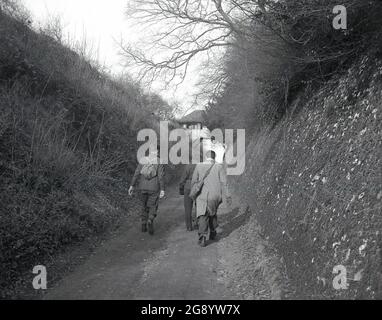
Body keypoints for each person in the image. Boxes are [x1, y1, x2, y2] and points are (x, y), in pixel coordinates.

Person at [191, 150, 231, 247]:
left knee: (202, 215)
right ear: (214, 157)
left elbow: (193, 181)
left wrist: (194, 191)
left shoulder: (199, 166)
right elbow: (224, 183)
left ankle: (203, 236)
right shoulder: (219, 167)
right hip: (215, 196)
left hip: (202, 195)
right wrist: (228, 195)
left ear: (206, 156)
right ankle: (213, 231)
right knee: (212, 214)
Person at [129, 147, 165, 235]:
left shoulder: (143, 160)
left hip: (142, 187)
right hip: (154, 188)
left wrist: (131, 185)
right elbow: (161, 176)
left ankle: (143, 224)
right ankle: (150, 219)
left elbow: (137, 173)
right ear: (157, 151)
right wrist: (162, 189)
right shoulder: (159, 161)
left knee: (143, 205)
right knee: (153, 205)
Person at [179, 163, 196, 231]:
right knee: (199, 206)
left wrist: (181, 187)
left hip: (188, 186)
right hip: (198, 186)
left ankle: (189, 226)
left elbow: (183, 178)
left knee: (188, 208)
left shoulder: (188, 166)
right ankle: (198, 223)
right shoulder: (200, 165)